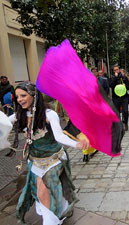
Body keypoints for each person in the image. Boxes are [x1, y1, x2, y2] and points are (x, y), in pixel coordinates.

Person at [9, 81, 88, 225]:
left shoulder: (49, 114)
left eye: (23, 95)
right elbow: (3, 125)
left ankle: (50, 221)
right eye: (17, 97)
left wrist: (77, 144)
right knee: (41, 192)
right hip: (35, 161)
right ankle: (57, 212)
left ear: (34, 95)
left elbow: (59, 137)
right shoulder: (19, 114)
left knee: (43, 190)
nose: (19, 99)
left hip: (54, 159)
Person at [109, 65, 129, 131]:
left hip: (124, 97)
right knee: (117, 111)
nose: (116, 71)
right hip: (116, 98)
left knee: (125, 111)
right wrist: (115, 77)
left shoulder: (124, 77)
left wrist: (125, 85)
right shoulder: (112, 78)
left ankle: (125, 122)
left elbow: (128, 87)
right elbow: (110, 85)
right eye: (115, 70)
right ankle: (118, 125)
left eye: (117, 69)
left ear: (119, 69)